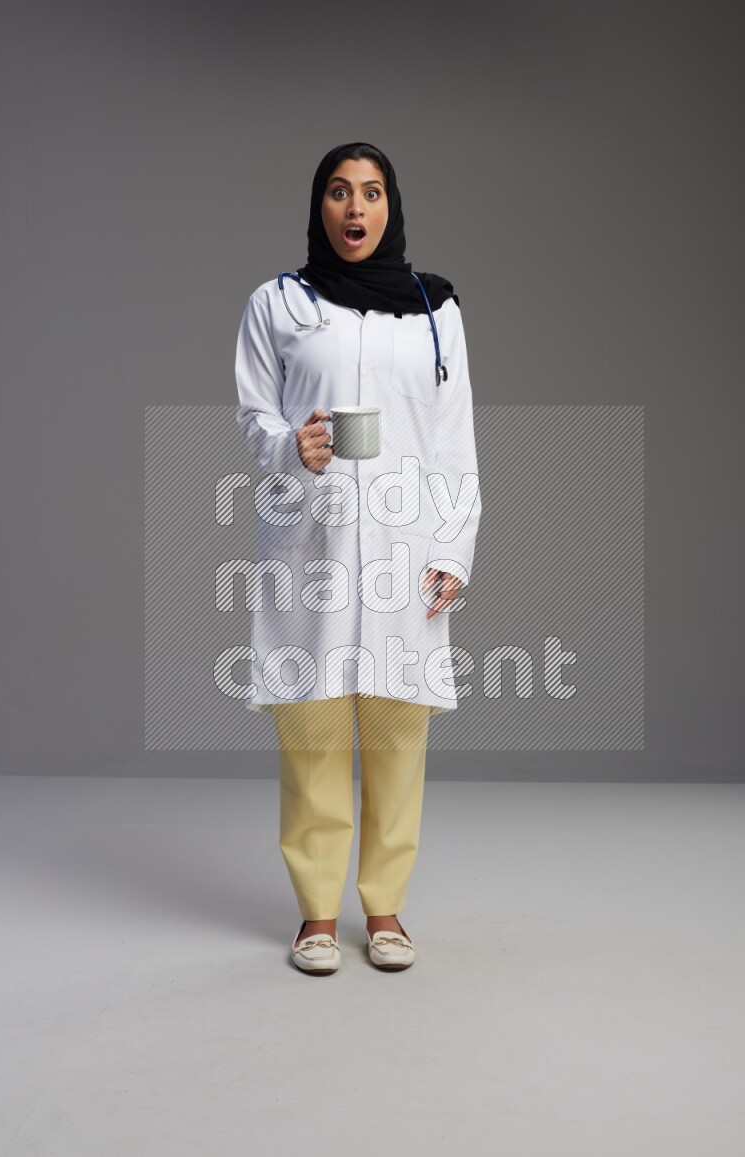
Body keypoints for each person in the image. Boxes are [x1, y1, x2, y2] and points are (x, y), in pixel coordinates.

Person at [234, 142, 481, 974]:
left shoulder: (433, 310)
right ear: (319, 206)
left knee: (395, 734)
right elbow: (253, 414)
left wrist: (453, 546)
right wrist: (286, 448)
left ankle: (383, 907)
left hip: (406, 546)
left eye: (371, 193)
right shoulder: (278, 303)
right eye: (339, 192)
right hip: (314, 541)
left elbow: (456, 443)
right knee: (311, 730)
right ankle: (314, 914)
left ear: (391, 206)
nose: (354, 209)